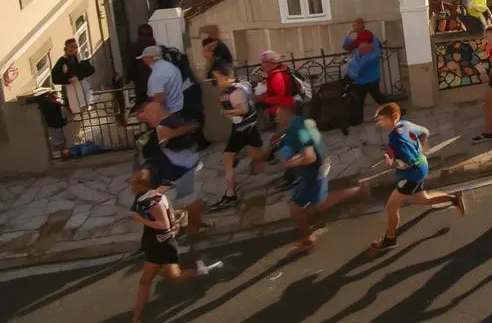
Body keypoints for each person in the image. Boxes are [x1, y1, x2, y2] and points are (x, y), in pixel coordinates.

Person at [128, 168, 222, 323]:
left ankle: (201, 271)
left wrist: (139, 219)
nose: (131, 184)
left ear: (142, 185)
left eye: (134, 182)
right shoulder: (144, 196)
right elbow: (169, 216)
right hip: (153, 245)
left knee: (176, 277)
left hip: (163, 246)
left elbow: (163, 225)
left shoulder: (154, 203)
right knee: (144, 282)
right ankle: (136, 318)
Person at [276, 98, 370, 253]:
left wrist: (289, 163)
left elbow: (309, 157)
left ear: (286, 110)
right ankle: (359, 190)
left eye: (278, 111)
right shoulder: (302, 121)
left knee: (296, 208)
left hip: (313, 170)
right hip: (318, 166)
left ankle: (308, 239)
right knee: (317, 205)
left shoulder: (298, 129)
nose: (275, 115)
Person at [370, 103, 464, 252]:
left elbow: (407, 163)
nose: (379, 123)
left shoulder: (396, 137)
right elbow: (425, 132)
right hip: (422, 166)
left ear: (394, 117)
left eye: (381, 119)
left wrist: (392, 163)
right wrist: (418, 150)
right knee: (423, 200)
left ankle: (390, 239)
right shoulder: (405, 124)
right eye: (377, 119)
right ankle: (454, 198)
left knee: (391, 207)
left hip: (411, 174)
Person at [136, 99, 205, 237]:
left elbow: (169, 134)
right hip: (181, 166)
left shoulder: (163, 127)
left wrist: (186, 128)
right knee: (178, 199)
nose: (146, 117)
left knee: (186, 199)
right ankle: (189, 225)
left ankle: (193, 227)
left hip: (181, 169)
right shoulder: (175, 119)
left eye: (149, 114)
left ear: (159, 113)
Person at [208, 63, 265, 212]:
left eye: (218, 78)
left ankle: (230, 194)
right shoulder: (242, 85)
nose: (216, 81)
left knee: (227, 158)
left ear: (229, 78)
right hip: (250, 125)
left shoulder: (234, 92)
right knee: (256, 154)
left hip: (242, 128)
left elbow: (242, 109)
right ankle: (275, 157)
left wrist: (227, 113)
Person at [50, 38, 94, 151]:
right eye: (71, 48)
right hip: (70, 94)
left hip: (81, 91)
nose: (74, 50)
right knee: (72, 119)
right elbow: (55, 78)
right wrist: (67, 79)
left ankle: (80, 139)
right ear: (66, 49)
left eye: (75, 47)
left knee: (81, 116)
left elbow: (90, 69)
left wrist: (78, 76)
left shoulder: (79, 59)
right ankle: (72, 145)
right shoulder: (62, 61)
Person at [341, 30, 387, 134]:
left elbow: (362, 64)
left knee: (377, 97)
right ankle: (356, 122)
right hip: (359, 80)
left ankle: (395, 110)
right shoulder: (359, 40)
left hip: (370, 78)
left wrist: (350, 76)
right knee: (358, 101)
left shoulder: (372, 46)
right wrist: (350, 36)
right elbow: (346, 47)